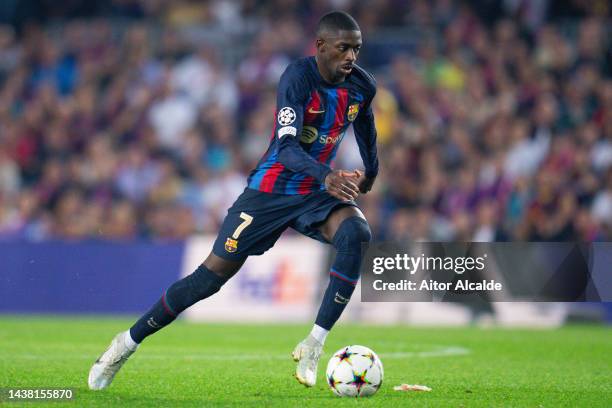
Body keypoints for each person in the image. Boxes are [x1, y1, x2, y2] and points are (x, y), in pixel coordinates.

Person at [88, 10, 378, 390]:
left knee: (356, 233)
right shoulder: (297, 78)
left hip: (315, 194)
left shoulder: (361, 86)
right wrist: (328, 174)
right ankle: (125, 344)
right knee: (208, 278)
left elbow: (366, 127)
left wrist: (370, 172)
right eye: (343, 49)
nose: (351, 57)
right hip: (270, 191)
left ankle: (314, 343)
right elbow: (287, 148)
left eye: (356, 49)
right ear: (321, 46)